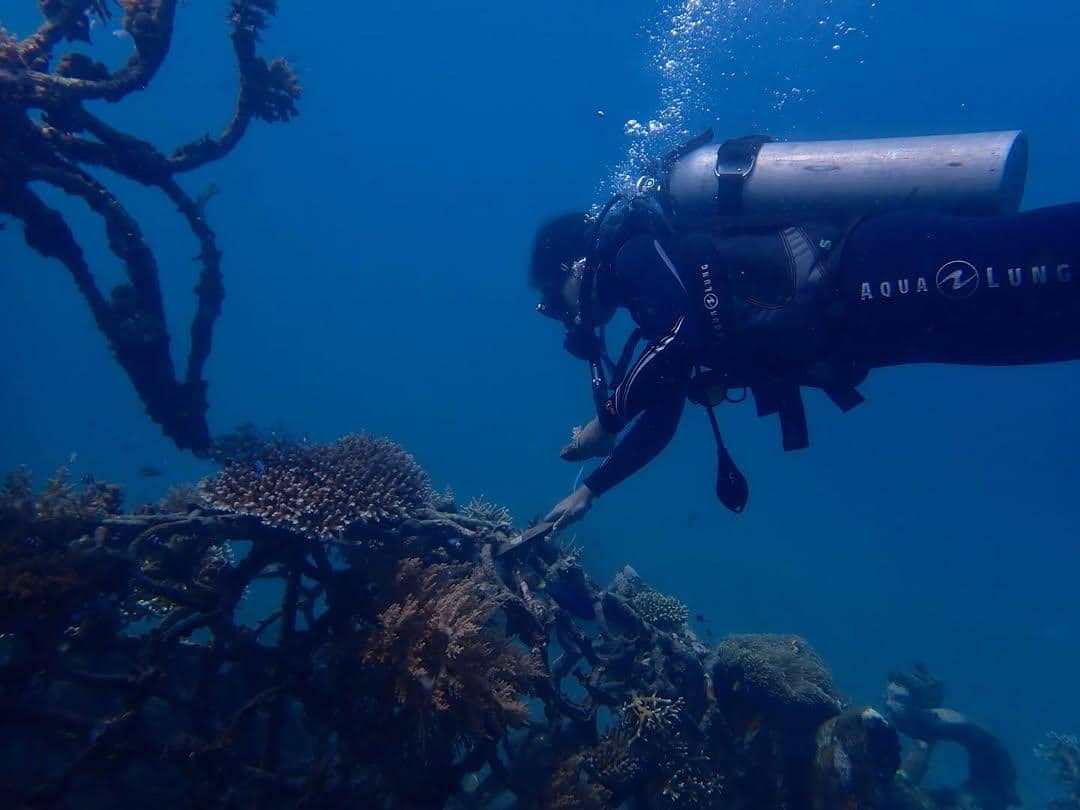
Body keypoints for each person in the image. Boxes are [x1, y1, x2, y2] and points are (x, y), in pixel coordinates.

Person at [530, 130, 1080, 533]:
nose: (568, 319)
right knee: (1041, 331)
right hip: (877, 328)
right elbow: (665, 410)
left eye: (557, 304)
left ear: (574, 268)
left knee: (1046, 260)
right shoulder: (650, 290)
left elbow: (684, 331)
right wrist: (594, 489)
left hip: (872, 272)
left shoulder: (633, 253)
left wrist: (608, 418)